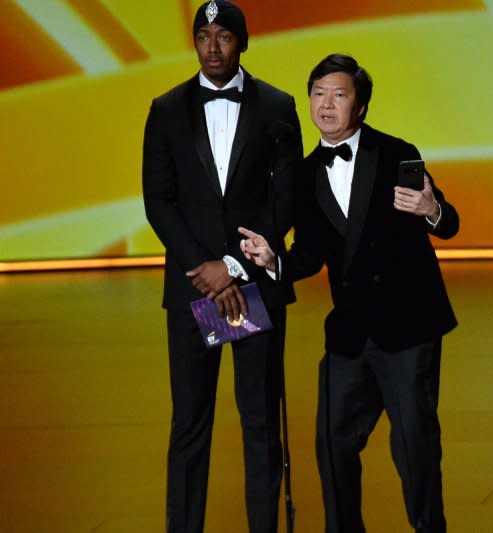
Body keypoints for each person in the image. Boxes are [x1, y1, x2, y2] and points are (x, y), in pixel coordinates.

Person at [239, 53, 458, 533]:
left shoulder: (397, 152)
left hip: (409, 327)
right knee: (332, 444)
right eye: (318, 94)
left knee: (414, 446)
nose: (327, 105)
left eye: (339, 95)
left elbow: (449, 224)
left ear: (360, 105)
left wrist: (431, 209)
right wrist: (274, 261)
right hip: (350, 332)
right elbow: (310, 254)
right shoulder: (302, 173)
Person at [141, 1, 302, 531]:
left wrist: (232, 269)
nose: (213, 47)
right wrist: (207, 273)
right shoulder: (165, 109)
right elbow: (158, 201)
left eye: (224, 36)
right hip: (194, 291)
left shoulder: (278, 106)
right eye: (203, 35)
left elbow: (286, 200)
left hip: (250, 287)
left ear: (243, 42)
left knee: (258, 423)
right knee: (190, 423)